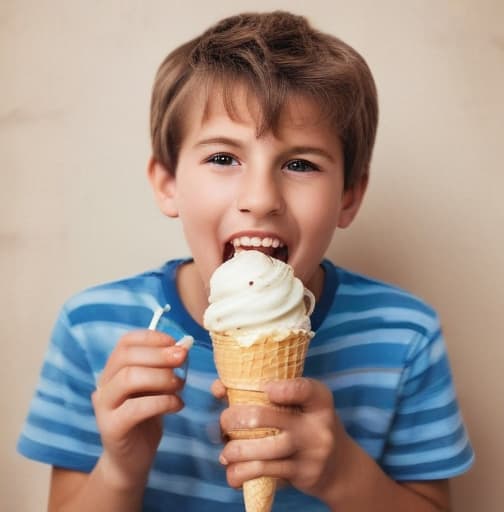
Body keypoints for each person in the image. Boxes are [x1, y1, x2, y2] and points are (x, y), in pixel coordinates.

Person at [18, 11, 474, 511]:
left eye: (300, 164)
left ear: (348, 196)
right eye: (223, 158)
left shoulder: (405, 335)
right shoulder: (92, 331)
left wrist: (343, 474)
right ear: (168, 183)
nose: (260, 198)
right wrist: (122, 469)